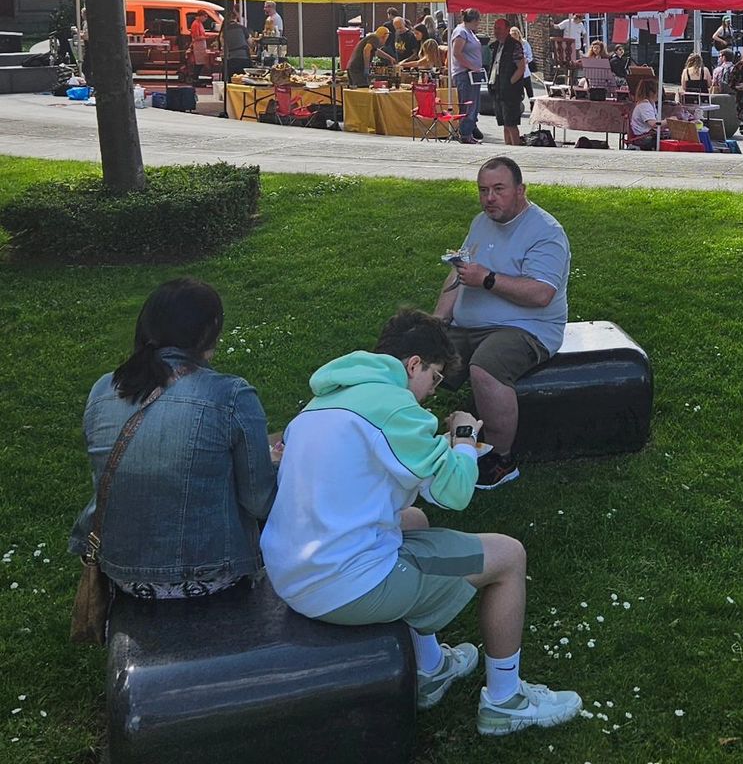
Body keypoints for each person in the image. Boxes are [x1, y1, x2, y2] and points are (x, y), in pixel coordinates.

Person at [260, 308, 581, 733]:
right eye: (433, 377)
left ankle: (430, 668)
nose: (432, 392)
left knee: (413, 519)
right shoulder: (395, 406)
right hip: (342, 585)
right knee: (508, 556)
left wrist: (440, 451)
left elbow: (380, 467)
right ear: (414, 364)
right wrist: (465, 438)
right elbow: (454, 492)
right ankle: (506, 700)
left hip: (292, 573)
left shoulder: (322, 403)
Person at [69, 279, 276, 601]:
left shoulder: (102, 390)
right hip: (211, 575)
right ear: (210, 330)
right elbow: (259, 501)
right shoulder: (231, 394)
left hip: (121, 573)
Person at [434, 158, 570, 490]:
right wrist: (436, 322)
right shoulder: (481, 221)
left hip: (528, 328)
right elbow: (460, 270)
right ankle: (400, 434)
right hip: (471, 326)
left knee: (486, 366)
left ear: (520, 191)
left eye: (498, 190)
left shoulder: (546, 233)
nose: (489, 198)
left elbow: (541, 294)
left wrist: (489, 280)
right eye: (483, 191)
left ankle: (500, 459)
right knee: (415, 351)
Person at [488, 19, 526, 148]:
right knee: (504, 122)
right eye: (495, 28)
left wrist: (510, 82)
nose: (496, 31)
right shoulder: (496, 45)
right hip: (497, 87)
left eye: (499, 28)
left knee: (511, 122)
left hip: (510, 90)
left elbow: (521, 67)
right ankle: (507, 147)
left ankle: (515, 148)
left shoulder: (514, 45)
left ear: (507, 29)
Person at [451, 9, 486, 146]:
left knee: (473, 105)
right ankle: (465, 134)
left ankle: (469, 132)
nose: (479, 23)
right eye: (478, 21)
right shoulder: (461, 32)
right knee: (468, 104)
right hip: (465, 74)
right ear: (473, 20)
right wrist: (471, 66)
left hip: (473, 75)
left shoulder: (469, 32)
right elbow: (457, 53)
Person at [219, 7, 252, 96]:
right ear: (235, 18)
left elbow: (223, 46)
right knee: (243, 81)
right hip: (243, 57)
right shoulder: (242, 28)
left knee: (232, 82)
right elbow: (250, 42)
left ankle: (233, 100)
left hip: (231, 59)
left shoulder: (224, 31)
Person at [627, 77, 664, 150]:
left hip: (645, 136)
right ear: (651, 92)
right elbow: (653, 124)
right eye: (658, 91)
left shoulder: (649, 104)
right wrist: (669, 121)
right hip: (642, 138)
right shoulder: (644, 105)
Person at [509, 26, 535, 102]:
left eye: (515, 36)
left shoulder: (524, 43)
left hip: (525, 72)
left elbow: (530, 56)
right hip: (515, 72)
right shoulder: (510, 45)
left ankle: (532, 105)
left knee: (530, 91)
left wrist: (526, 60)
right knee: (517, 92)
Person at [188, 12, 211, 79]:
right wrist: (206, 37)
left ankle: (196, 77)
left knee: (201, 62)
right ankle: (195, 78)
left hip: (201, 45)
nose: (206, 19)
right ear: (200, 16)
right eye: (205, 17)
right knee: (199, 63)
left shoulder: (199, 23)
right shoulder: (195, 24)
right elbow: (196, 37)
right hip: (198, 45)